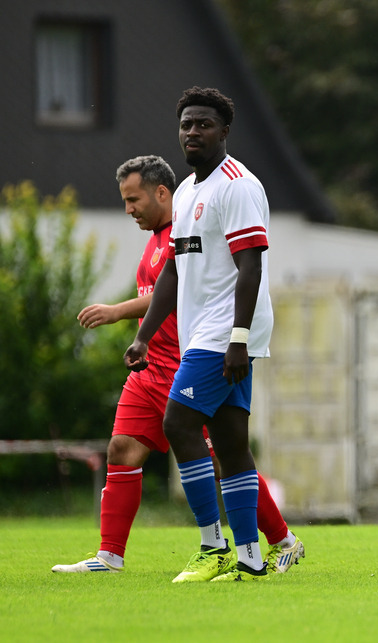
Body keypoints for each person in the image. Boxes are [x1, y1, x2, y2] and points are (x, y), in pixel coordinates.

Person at [52, 155, 302, 575]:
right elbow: (168, 282)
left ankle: (276, 541)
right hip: (152, 367)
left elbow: (186, 282)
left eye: (134, 199)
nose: (128, 209)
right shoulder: (159, 236)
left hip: (190, 358)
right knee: (122, 449)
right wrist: (142, 340)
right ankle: (109, 556)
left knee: (226, 453)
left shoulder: (195, 224)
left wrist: (117, 312)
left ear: (161, 192)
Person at [124, 86, 276, 582]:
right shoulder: (188, 190)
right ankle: (251, 557)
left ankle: (213, 545)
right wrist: (145, 335)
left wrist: (238, 336)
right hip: (204, 332)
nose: (193, 131)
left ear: (224, 131)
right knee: (231, 442)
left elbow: (250, 267)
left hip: (224, 331)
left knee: (178, 424)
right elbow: (171, 271)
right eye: (187, 123)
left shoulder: (238, 186)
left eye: (204, 124)